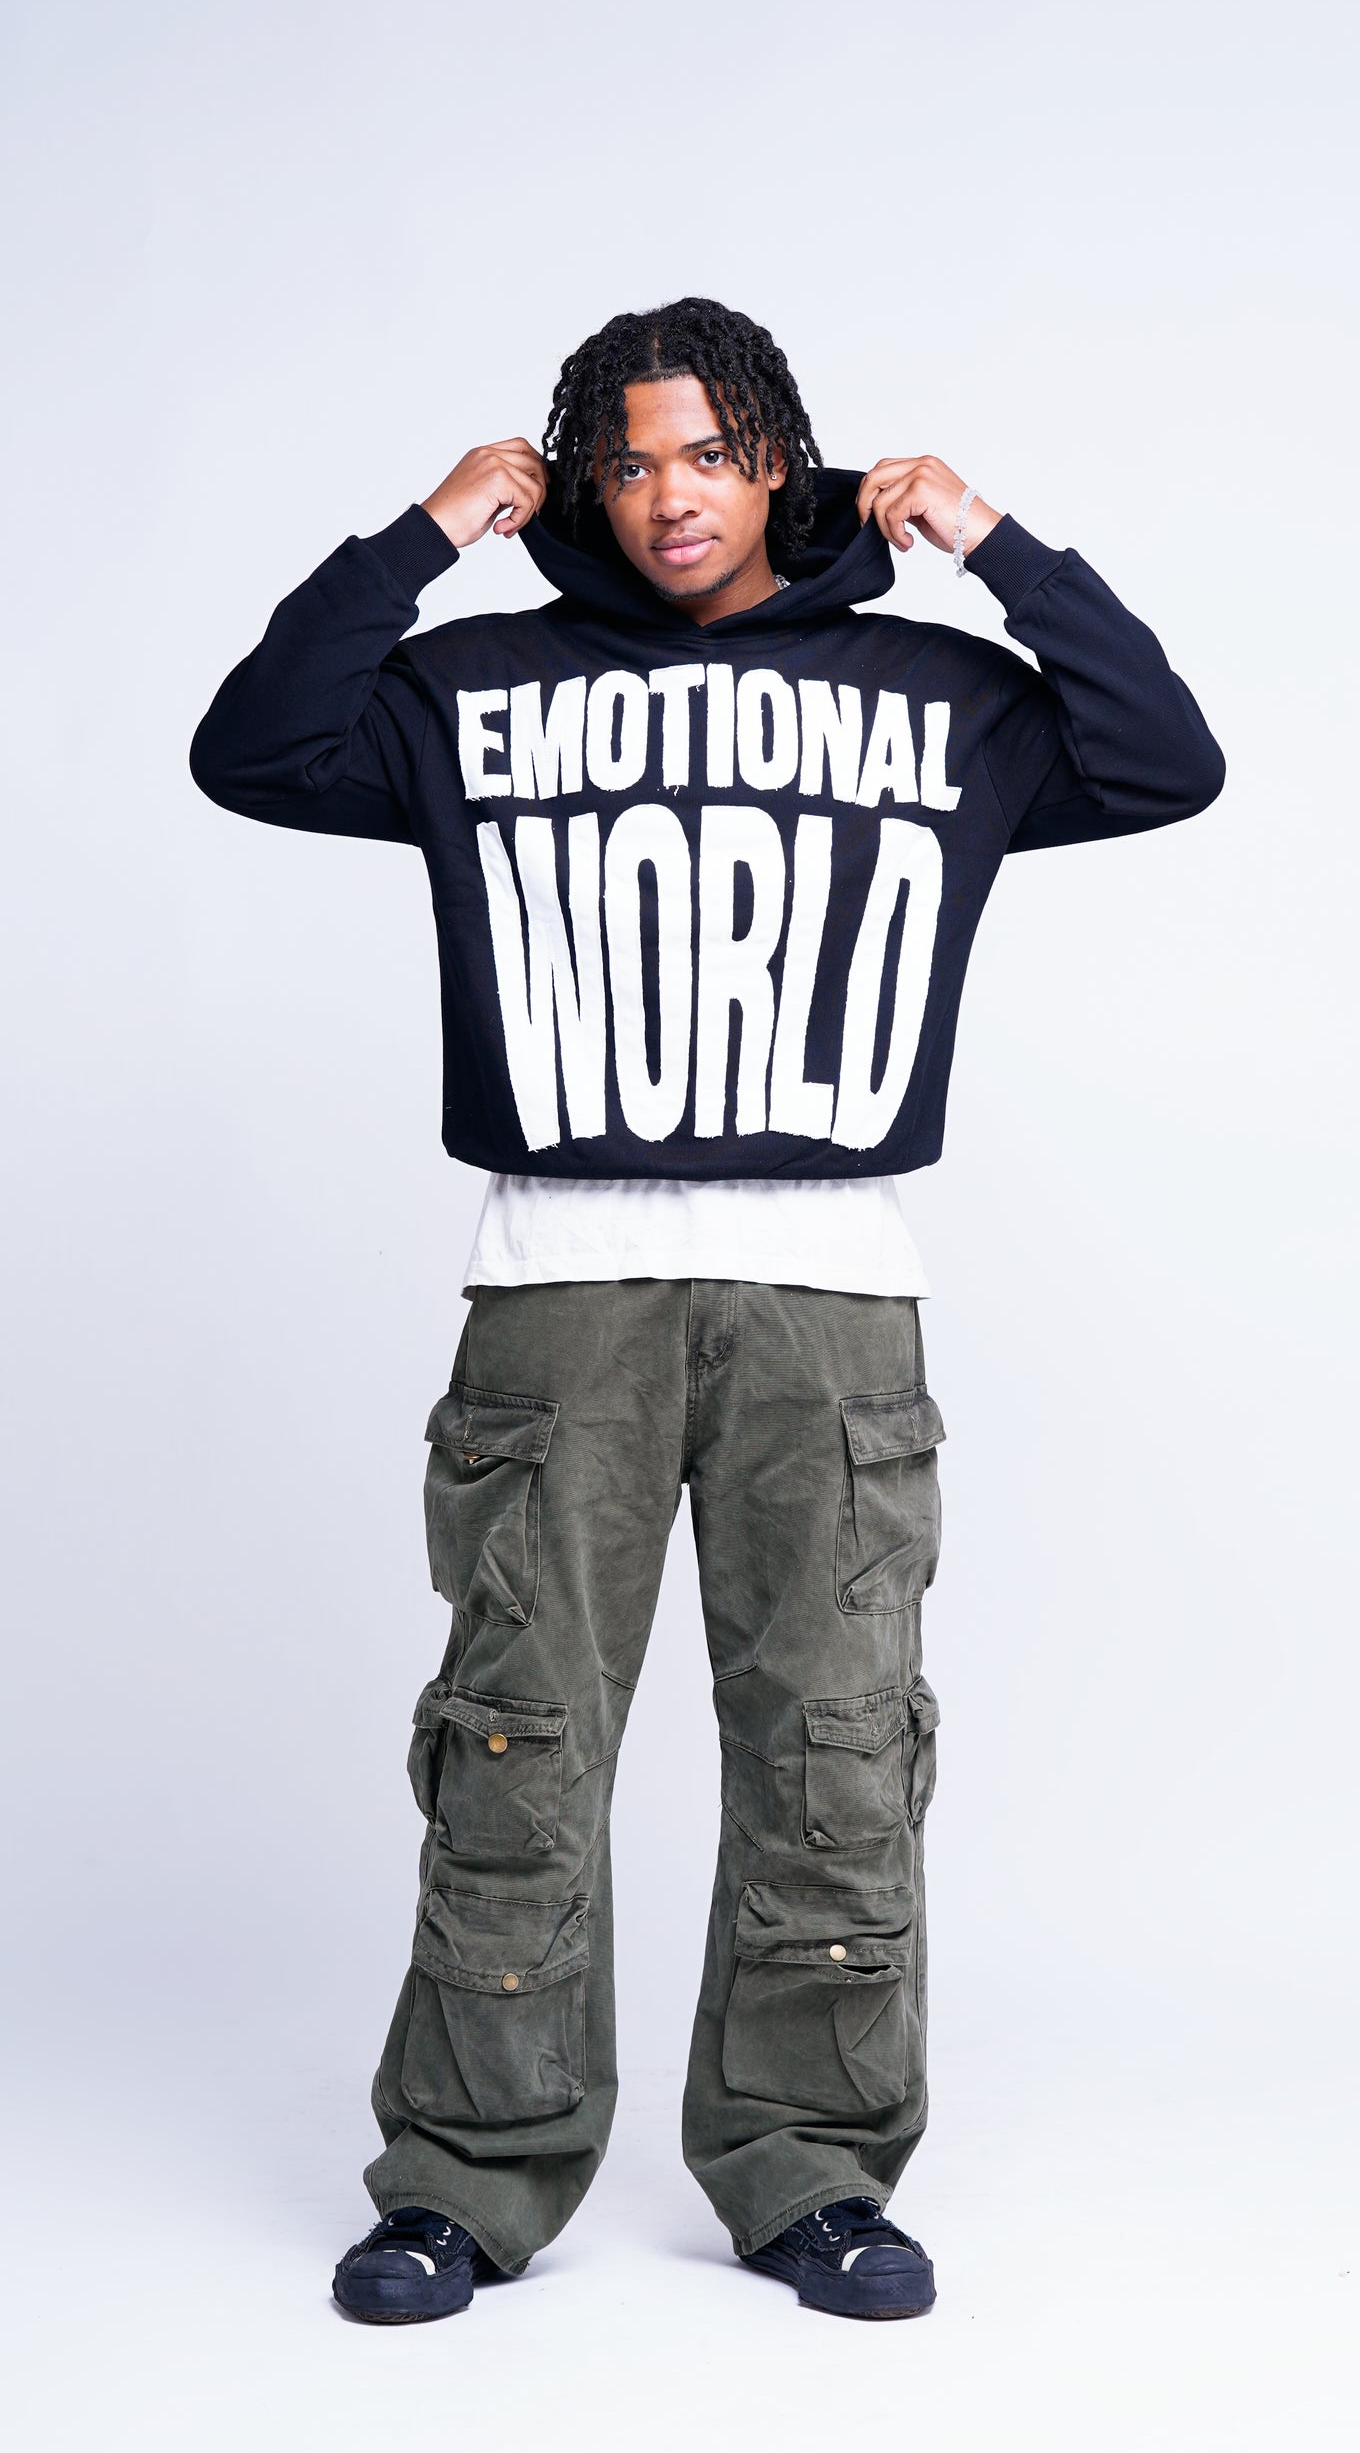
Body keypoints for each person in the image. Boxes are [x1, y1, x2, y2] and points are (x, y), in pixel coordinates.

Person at [190, 296, 1224, 2324]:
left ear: (780, 465)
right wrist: (425, 535)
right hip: (556, 1289)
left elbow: (1162, 758)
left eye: (713, 456)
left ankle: (809, 2171)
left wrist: (997, 547)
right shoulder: (478, 685)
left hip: (829, 1298)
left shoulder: (933, 697)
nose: (671, 498)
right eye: (631, 461)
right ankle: (465, 2180)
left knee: (836, 1747)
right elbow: (256, 746)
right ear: (584, 482)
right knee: (517, 1743)